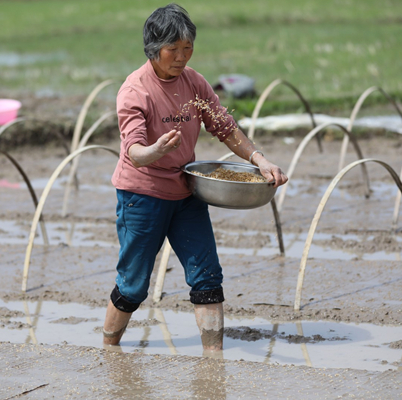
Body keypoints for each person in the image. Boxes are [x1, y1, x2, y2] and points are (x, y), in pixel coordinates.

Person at [103, 3, 288, 351]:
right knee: (134, 285)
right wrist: (155, 150)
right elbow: (133, 152)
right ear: (153, 49)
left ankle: (213, 357)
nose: (182, 57)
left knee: (207, 275)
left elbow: (225, 127)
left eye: (188, 48)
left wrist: (260, 159)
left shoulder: (195, 83)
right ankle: (109, 349)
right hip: (142, 195)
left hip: (186, 192)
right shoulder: (135, 91)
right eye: (173, 49)